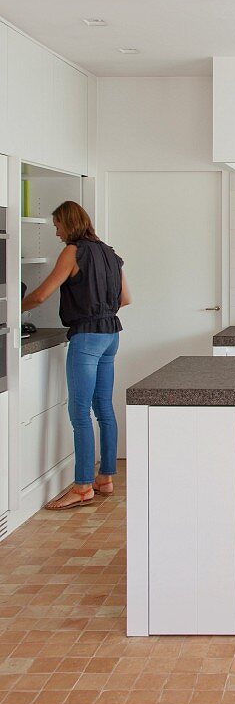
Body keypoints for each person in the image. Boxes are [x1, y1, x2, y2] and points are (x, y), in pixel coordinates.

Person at [21, 202, 131, 510]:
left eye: (57, 225)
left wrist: (11, 310)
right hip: (111, 335)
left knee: (80, 412)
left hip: (87, 337)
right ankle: (106, 478)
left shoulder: (73, 251)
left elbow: (42, 294)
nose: (56, 231)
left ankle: (83, 486)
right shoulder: (111, 253)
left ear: (69, 224)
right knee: (104, 408)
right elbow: (126, 298)